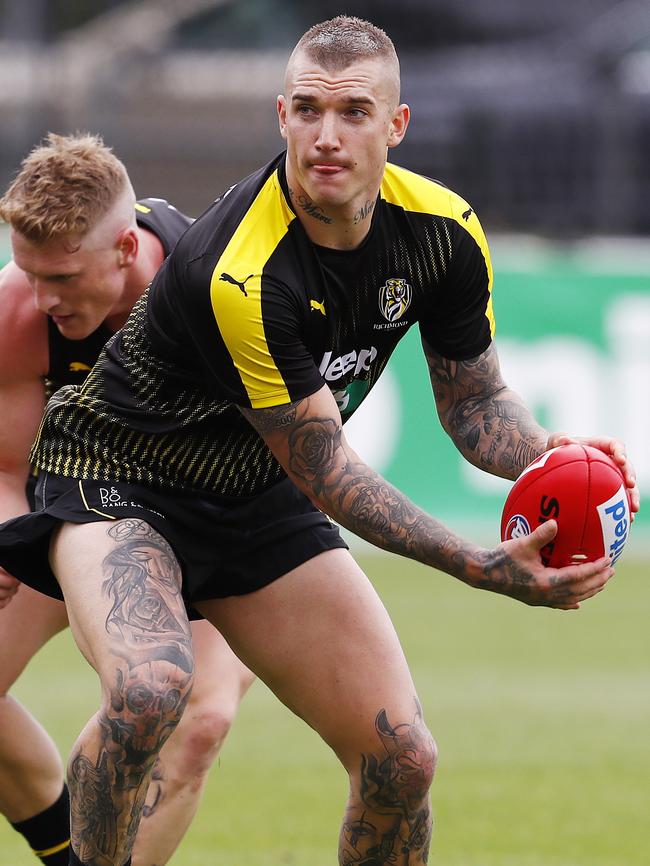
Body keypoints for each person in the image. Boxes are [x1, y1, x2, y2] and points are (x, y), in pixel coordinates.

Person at [0, 17, 639, 866]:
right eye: (307, 110)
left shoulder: (443, 231)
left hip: (253, 492)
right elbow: (331, 474)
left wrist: (555, 457)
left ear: (397, 125)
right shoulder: (243, 266)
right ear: (281, 117)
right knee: (150, 692)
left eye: (353, 112)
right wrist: (478, 566)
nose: (327, 136)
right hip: (119, 481)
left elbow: (475, 403)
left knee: (403, 758)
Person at [0, 133, 254, 866]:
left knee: (198, 719)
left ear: (123, 250)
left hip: (213, 526)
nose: (44, 298)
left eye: (63, 277)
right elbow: (8, 465)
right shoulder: (20, 314)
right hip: (77, 515)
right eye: (29, 273)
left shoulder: (219, 291)